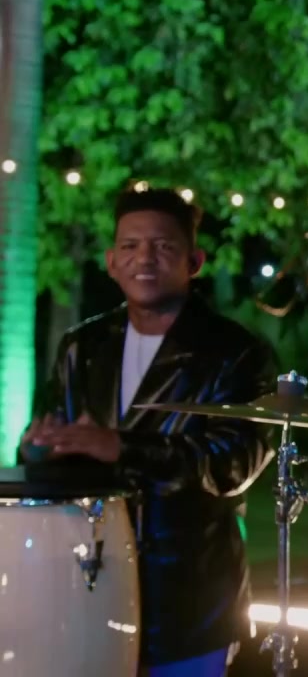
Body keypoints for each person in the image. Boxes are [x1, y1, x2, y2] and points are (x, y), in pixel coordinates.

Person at [21, 188, 276, 676]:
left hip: (189, 598)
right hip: (88, 586)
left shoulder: (236, 352)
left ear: (194, 261)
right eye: (130, 246)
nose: (144, 258)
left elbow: (233, 462)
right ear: (111, 261)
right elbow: (56, 441)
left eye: (163, 246)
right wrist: (37, 450)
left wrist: (122, 447)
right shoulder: (82, 347)